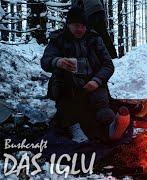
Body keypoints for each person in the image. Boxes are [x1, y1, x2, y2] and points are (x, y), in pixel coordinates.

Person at [40, 7, 130, 144]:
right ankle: (74, 128)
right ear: (68, 24)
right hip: (68, 86)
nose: (80, 29)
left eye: (83, 26)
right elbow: (45, 61)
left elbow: (108, 65)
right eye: (76, 25)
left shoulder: (94, 39)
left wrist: (97, 80)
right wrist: (57, 61)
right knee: (66, 99)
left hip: (91, 83)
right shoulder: (58, 39)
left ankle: (112, 128)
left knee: (101, 105)